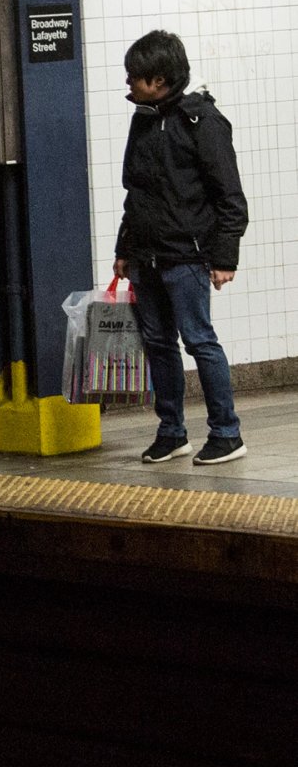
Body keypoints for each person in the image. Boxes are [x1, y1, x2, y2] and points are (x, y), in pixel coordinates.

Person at [113, 29, 248, 465]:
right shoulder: (144, 120)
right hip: (146, 256)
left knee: (199, 341)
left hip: (187, 257)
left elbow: (230, 195)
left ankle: (227, 433)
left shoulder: (202, 122)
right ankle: (172, 432)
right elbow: (136, 192)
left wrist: (224, 257)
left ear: (160, 79)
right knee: (158, 343)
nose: (129, 83)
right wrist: (124, 247)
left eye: (136, 76)